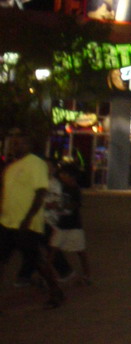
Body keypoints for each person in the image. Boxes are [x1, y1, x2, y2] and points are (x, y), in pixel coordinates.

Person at [0, 131, 64, 309]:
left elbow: (40, 192)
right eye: (14, 144)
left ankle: (55, 291)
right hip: (7, 221)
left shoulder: (36, 164)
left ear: (29, 146)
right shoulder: (12, 166)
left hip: (26, 223)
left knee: (36, 260)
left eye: (20, 143)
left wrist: (28, 218)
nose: (16, 147)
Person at [49, 164, 91, 285]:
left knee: (80, 251)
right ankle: (48, 277)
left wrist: (58, 206)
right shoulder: (62, 187)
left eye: (64, 174)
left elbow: (74, 205)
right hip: (62, 225)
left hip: (73, 225)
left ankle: (87, 276)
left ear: (71, 176)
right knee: (52, 251)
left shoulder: (75, 189)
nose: (61, 176)